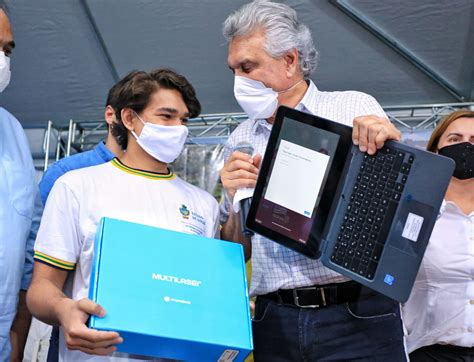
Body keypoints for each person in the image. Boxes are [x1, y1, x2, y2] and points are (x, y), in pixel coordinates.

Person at [220, 1, 406, 361]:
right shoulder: (240, 137)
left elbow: (392, 209)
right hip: (275, 318)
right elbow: (237, 248)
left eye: (248, 67)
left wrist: (389, 150)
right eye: (233, 70)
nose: (238, 81)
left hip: (356, 314)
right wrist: (232, 201)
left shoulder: (353, 108)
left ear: (290, 61)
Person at [26, 69, 220, 361]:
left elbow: (201, 291)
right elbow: (41, 288)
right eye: (166, 117)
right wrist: (63, 310)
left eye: (184, 120)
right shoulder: (77, 186)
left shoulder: (204, 204)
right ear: (129, 118)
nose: (178, 128)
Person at [23, 82, 124, 362]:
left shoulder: (164, 185)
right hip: (69, 322)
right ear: (112, 115)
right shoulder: (69, 175)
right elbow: (35, 254)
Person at [402, 110, 474, 361]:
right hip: (430, 352)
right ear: (435, 152)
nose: (466, 145)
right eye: (455, 139)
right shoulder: (414, 216)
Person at [0, 4, 37, 361]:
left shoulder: (11, 132)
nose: (2, 60)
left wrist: (16, 338)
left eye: (6, 50)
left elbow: (28, 253)